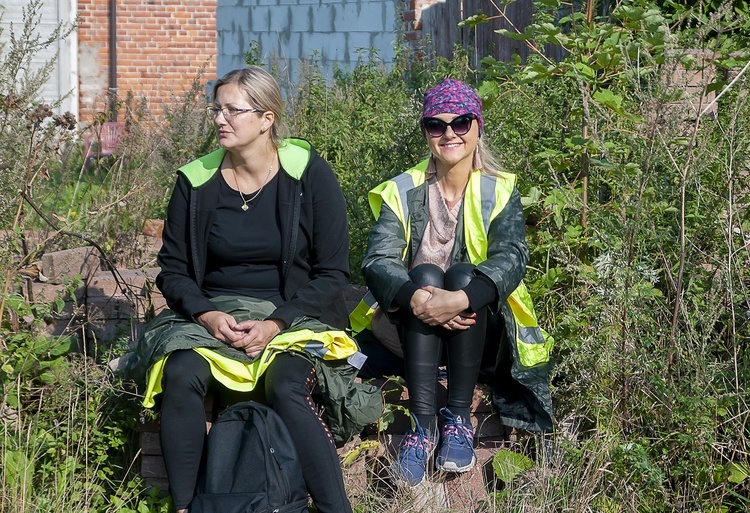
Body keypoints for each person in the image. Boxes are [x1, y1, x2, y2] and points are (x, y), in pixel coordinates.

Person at [128, 66, 373, 513]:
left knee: (286, 387)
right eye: (216, 109)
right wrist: (207, 315)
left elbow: (333, 272)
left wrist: (276, 322)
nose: (220, 119)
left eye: (233, 110)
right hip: (212, 316)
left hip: (292, 314)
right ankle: (187, 506)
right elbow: (173, 271)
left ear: (266, 118)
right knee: (180, 374)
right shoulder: (195, 182)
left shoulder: (310, 175)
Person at [350, 78, 554, 487]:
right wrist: (420, 299)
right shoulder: (402, 189)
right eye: (436, 125)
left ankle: (458, 420)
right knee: (423, 274)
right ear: (426, 131)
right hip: (409, 324)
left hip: (478, 330)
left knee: (463, 274)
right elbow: (377, 260)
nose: (449, 134)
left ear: (477, 126)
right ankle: (422, 429)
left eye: (460, 122)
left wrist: (460, 299)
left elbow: (512, 258)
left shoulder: (500, 189)